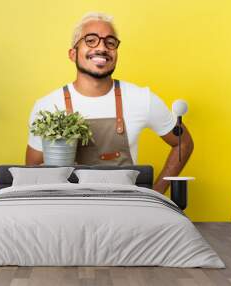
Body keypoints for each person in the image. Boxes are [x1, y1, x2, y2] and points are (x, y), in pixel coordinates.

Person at [25, 12, 194, 194]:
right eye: (91, 40)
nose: (102, 48)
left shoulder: (142, 98)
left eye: (110, 42)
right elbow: (33, 170)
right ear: (73, 54)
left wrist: (156, 193)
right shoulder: (47, 106)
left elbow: (183, 143)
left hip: (126, 213)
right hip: (69, 212)